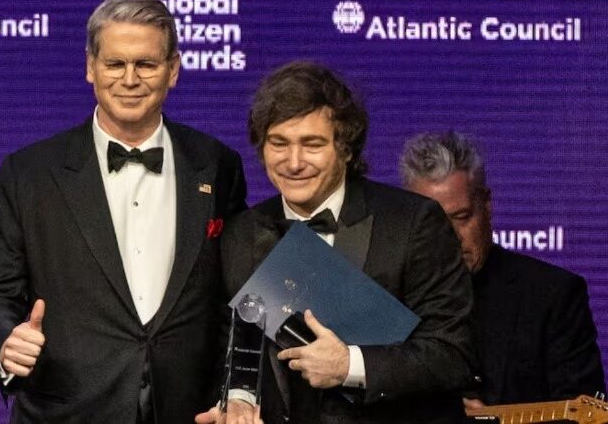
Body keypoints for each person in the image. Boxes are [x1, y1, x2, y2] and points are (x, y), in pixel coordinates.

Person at [0, 0, 247, 424]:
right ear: (90, 67)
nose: (129, 79)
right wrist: (5, 341)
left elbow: (235, 297)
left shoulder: (217, 165)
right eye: (115, 64)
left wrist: (236, 391)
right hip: (66, 412)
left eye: (146, 64)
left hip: (189, 412)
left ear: (173, 70)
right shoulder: (29, 174)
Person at [197, 62, 474, 424]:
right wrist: (237, 399)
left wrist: (350, 366)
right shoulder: (241, 234)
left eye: (312, 144)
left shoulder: (412, 223)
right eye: (279, 143)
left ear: (346, 149)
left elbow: (453, 355)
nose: (293, 162)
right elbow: (229, 348)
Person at [400, 131, 604, 408]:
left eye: (462, 217)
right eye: (432, 221)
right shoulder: (389, 297)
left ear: (487, 205)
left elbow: (586, 413)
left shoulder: (553, 296)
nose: (450, 237)